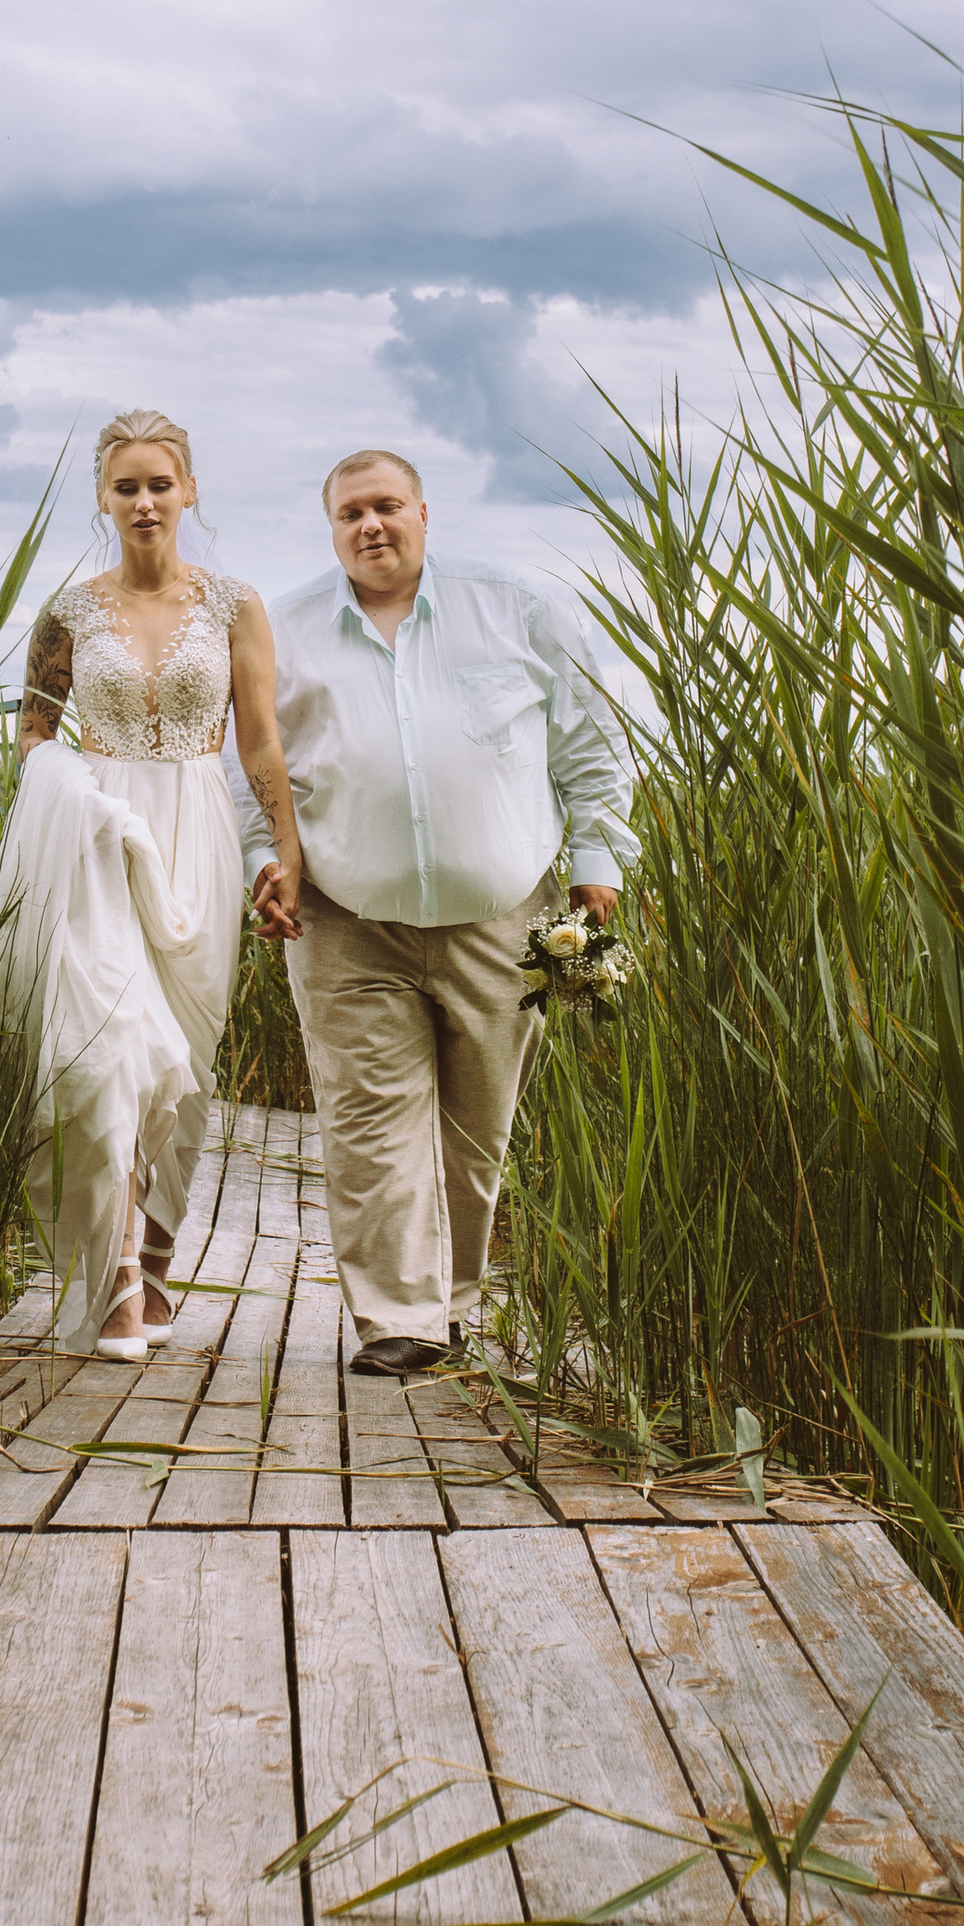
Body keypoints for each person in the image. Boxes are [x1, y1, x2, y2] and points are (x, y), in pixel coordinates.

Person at [248, 448, 634, 1374]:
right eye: (350, 513)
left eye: (386, 505)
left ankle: (452, 1301)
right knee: (368, 1119)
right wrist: (266, 859)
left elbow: (590, 740)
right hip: (346, 917)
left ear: (423, 512)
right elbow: (248, 762)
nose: (370, 525)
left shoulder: (518, 607)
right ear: (331, 528)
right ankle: (399, 1320)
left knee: (476, 1125)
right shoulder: (284, 630)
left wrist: (597, 862)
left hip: (504, 912)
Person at [0, 410, 303, 1361]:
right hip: (98, 832)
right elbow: (35, 733)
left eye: (160, 483)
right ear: (103, 497)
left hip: (198, 832)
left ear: (190, 490)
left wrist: (284, 853)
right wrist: (75, 795)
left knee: (188, 1059)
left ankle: (158, 1261)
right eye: (125, 486)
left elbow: (261, 742)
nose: (144, 502)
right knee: (113, 1044)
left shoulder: (235, 606)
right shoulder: (68, 613)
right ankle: (117, 1277)